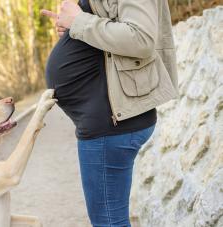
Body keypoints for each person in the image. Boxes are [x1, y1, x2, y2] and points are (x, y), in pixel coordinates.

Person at [41, 0, 179, 226]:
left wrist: (79, 20)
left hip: (112, 122)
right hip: (107, 120)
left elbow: (140, 38)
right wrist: (72, 28)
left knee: (108, 222)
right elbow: (108, 30)